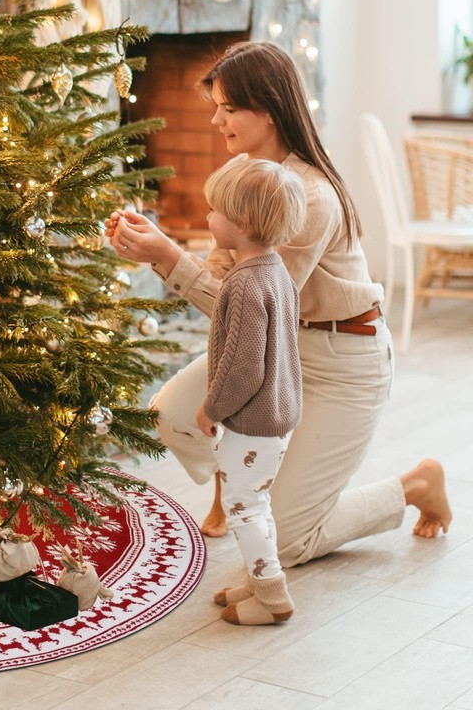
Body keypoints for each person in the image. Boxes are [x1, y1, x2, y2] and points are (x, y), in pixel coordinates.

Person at [106, 41, 452, 574]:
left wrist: (169, 257)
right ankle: (238, 478)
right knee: (172, 415)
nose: (216, 119)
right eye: (215, 106)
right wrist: (160, 249)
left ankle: (413, 485)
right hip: (282, 350)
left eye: (228, 108)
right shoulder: (247, 177)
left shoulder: (307, 198)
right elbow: (228, 282)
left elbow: (253, 310)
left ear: (266, 110)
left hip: (342, 361)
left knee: (286, 542)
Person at [195, 157, 306, 625]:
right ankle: (257, 578)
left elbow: (242, 368)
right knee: (252, 499)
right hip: (278, 412)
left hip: (252, 417)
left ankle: (272, 596)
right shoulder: (275, 269)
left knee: (244, 505)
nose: (208, 218)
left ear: (240, 223)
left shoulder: (243, 285)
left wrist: (211, 408)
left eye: (215, 212)